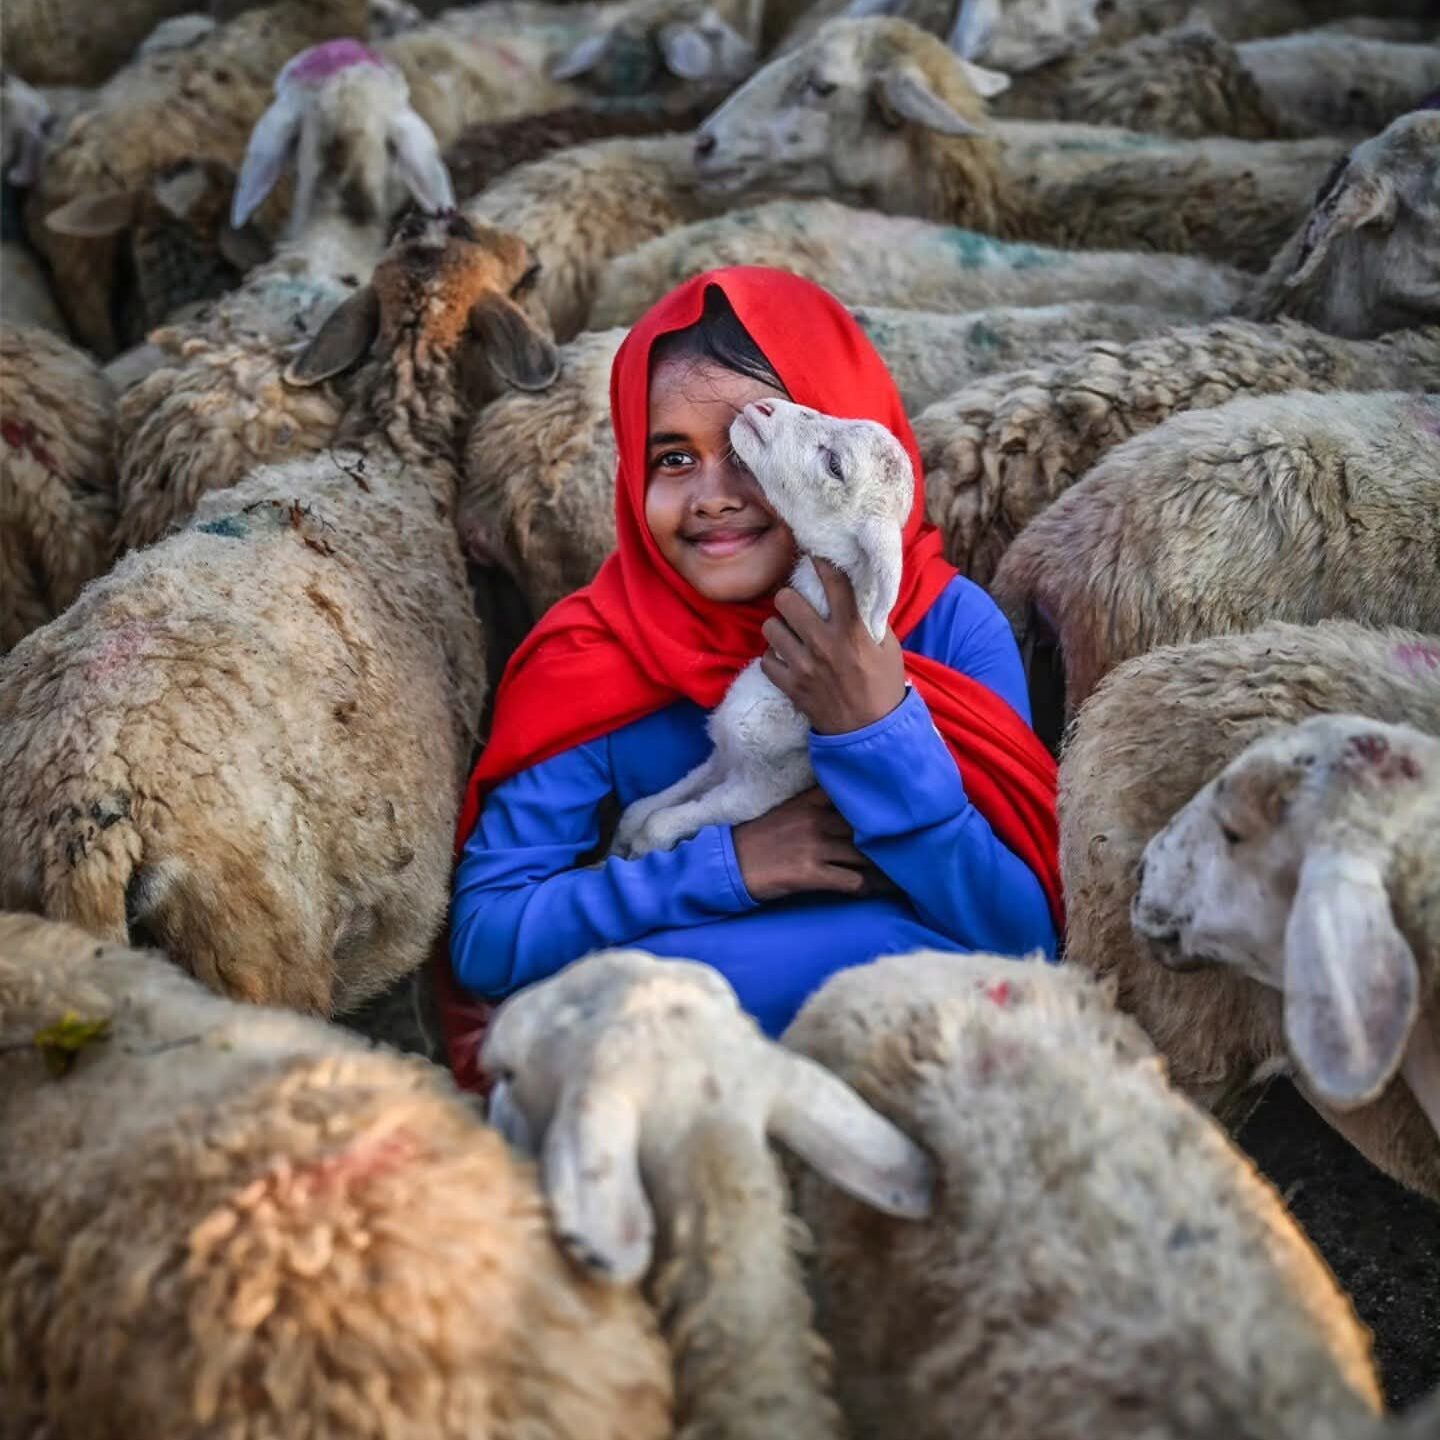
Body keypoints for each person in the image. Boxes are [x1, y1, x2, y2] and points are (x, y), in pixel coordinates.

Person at [442, 267, 1062, 1087]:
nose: (712, 497)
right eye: (672, 458)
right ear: (631, 476)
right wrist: (731, 865)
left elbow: (1024, 937)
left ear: (838, 433)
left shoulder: (944, 627)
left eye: (748, 449)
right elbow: (488, 940)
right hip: (664, 1080)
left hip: (914, 1077)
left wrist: (875, 728)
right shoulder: (595, 656)